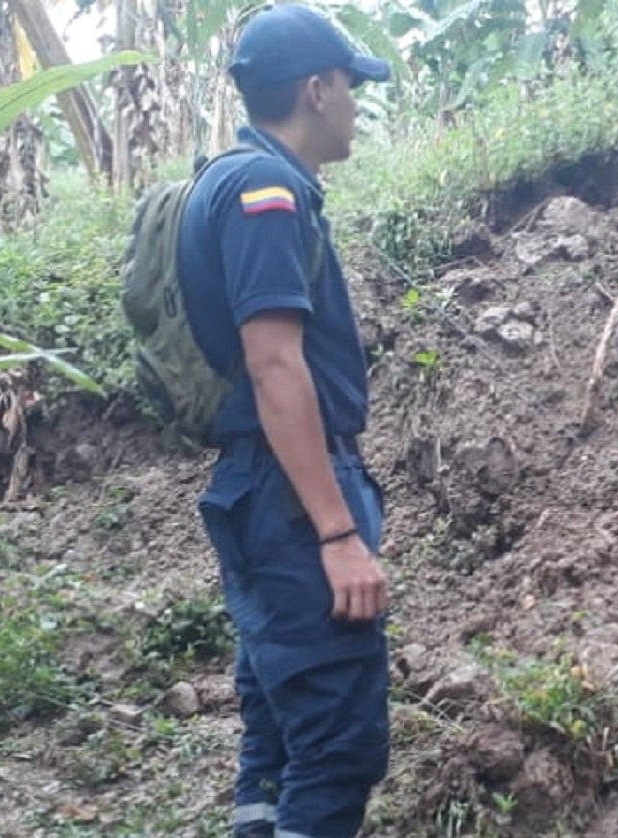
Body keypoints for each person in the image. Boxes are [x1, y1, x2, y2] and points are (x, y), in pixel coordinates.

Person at [175, 5, 393, 837]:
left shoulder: (226, 179)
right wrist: (337, 533)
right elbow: (275, 366)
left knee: (277, 732)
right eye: (349, 86)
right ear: (316, 89)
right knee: (337, 744)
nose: (356, 104)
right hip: (292, 498)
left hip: (259, 491)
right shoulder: (266, 194)